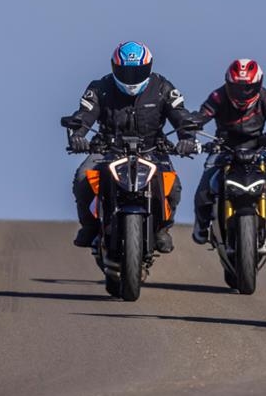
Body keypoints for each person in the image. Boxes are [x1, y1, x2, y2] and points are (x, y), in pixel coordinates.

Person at [65, 41, 199, 253]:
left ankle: (162, 229)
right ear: (114, 67)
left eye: (138, 71)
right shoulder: (100, 88)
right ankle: (89, 227)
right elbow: (84, 114)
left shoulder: (163, 87)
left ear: (149, 66)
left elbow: (180, 114)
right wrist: (77, 135)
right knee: (83, 177)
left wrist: (188, 138)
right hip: (108, 150)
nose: (131, 77)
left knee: (173, 187)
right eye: (126, 71)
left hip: (152, 150)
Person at [191, 59, 266, 244]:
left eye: (248, 87)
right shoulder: (218, 97)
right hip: (224, 147)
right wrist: (189, 125)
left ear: (258, 84)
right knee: (203, 190)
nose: (242, 92)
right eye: (237, 87)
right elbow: (201, 117)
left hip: (258, 148)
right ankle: (201, 227)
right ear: (228, 83)